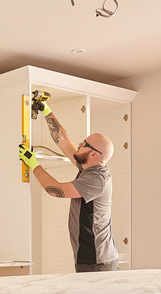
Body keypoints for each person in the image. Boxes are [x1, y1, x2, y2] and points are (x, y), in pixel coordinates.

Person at [18, 101, 119, 272]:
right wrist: (46, 110)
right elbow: (63, 140)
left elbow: (55, 190)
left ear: (94, 154)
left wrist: (33, 163)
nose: (79, 145)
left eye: (85, 144)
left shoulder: (97, 179)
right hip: (90, 257)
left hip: (97, 261)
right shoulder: (87, 166)